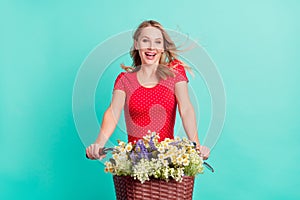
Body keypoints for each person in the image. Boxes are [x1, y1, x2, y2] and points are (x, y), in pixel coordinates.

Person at [86, 20, 210, 160]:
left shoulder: (175, 73)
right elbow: (113, 112)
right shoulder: (124, 80)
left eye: (157, 42)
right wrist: (98, 144)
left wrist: (197, 146)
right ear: (136, 44)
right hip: (135, 164)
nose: (151, 47)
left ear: (163, 48)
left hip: (167, 161)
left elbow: (186, 109)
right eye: (145, 41)